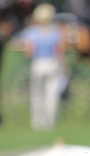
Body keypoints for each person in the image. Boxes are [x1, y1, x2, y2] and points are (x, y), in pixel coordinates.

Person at [21, 3, 63, 131]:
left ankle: (37, 123)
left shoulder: (32, 32)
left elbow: (29, 52)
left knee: (37, 94)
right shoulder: (56, 31)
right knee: (52, 95)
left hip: (38, 63)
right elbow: (59, 50)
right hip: (53, 63)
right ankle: (50, 123)